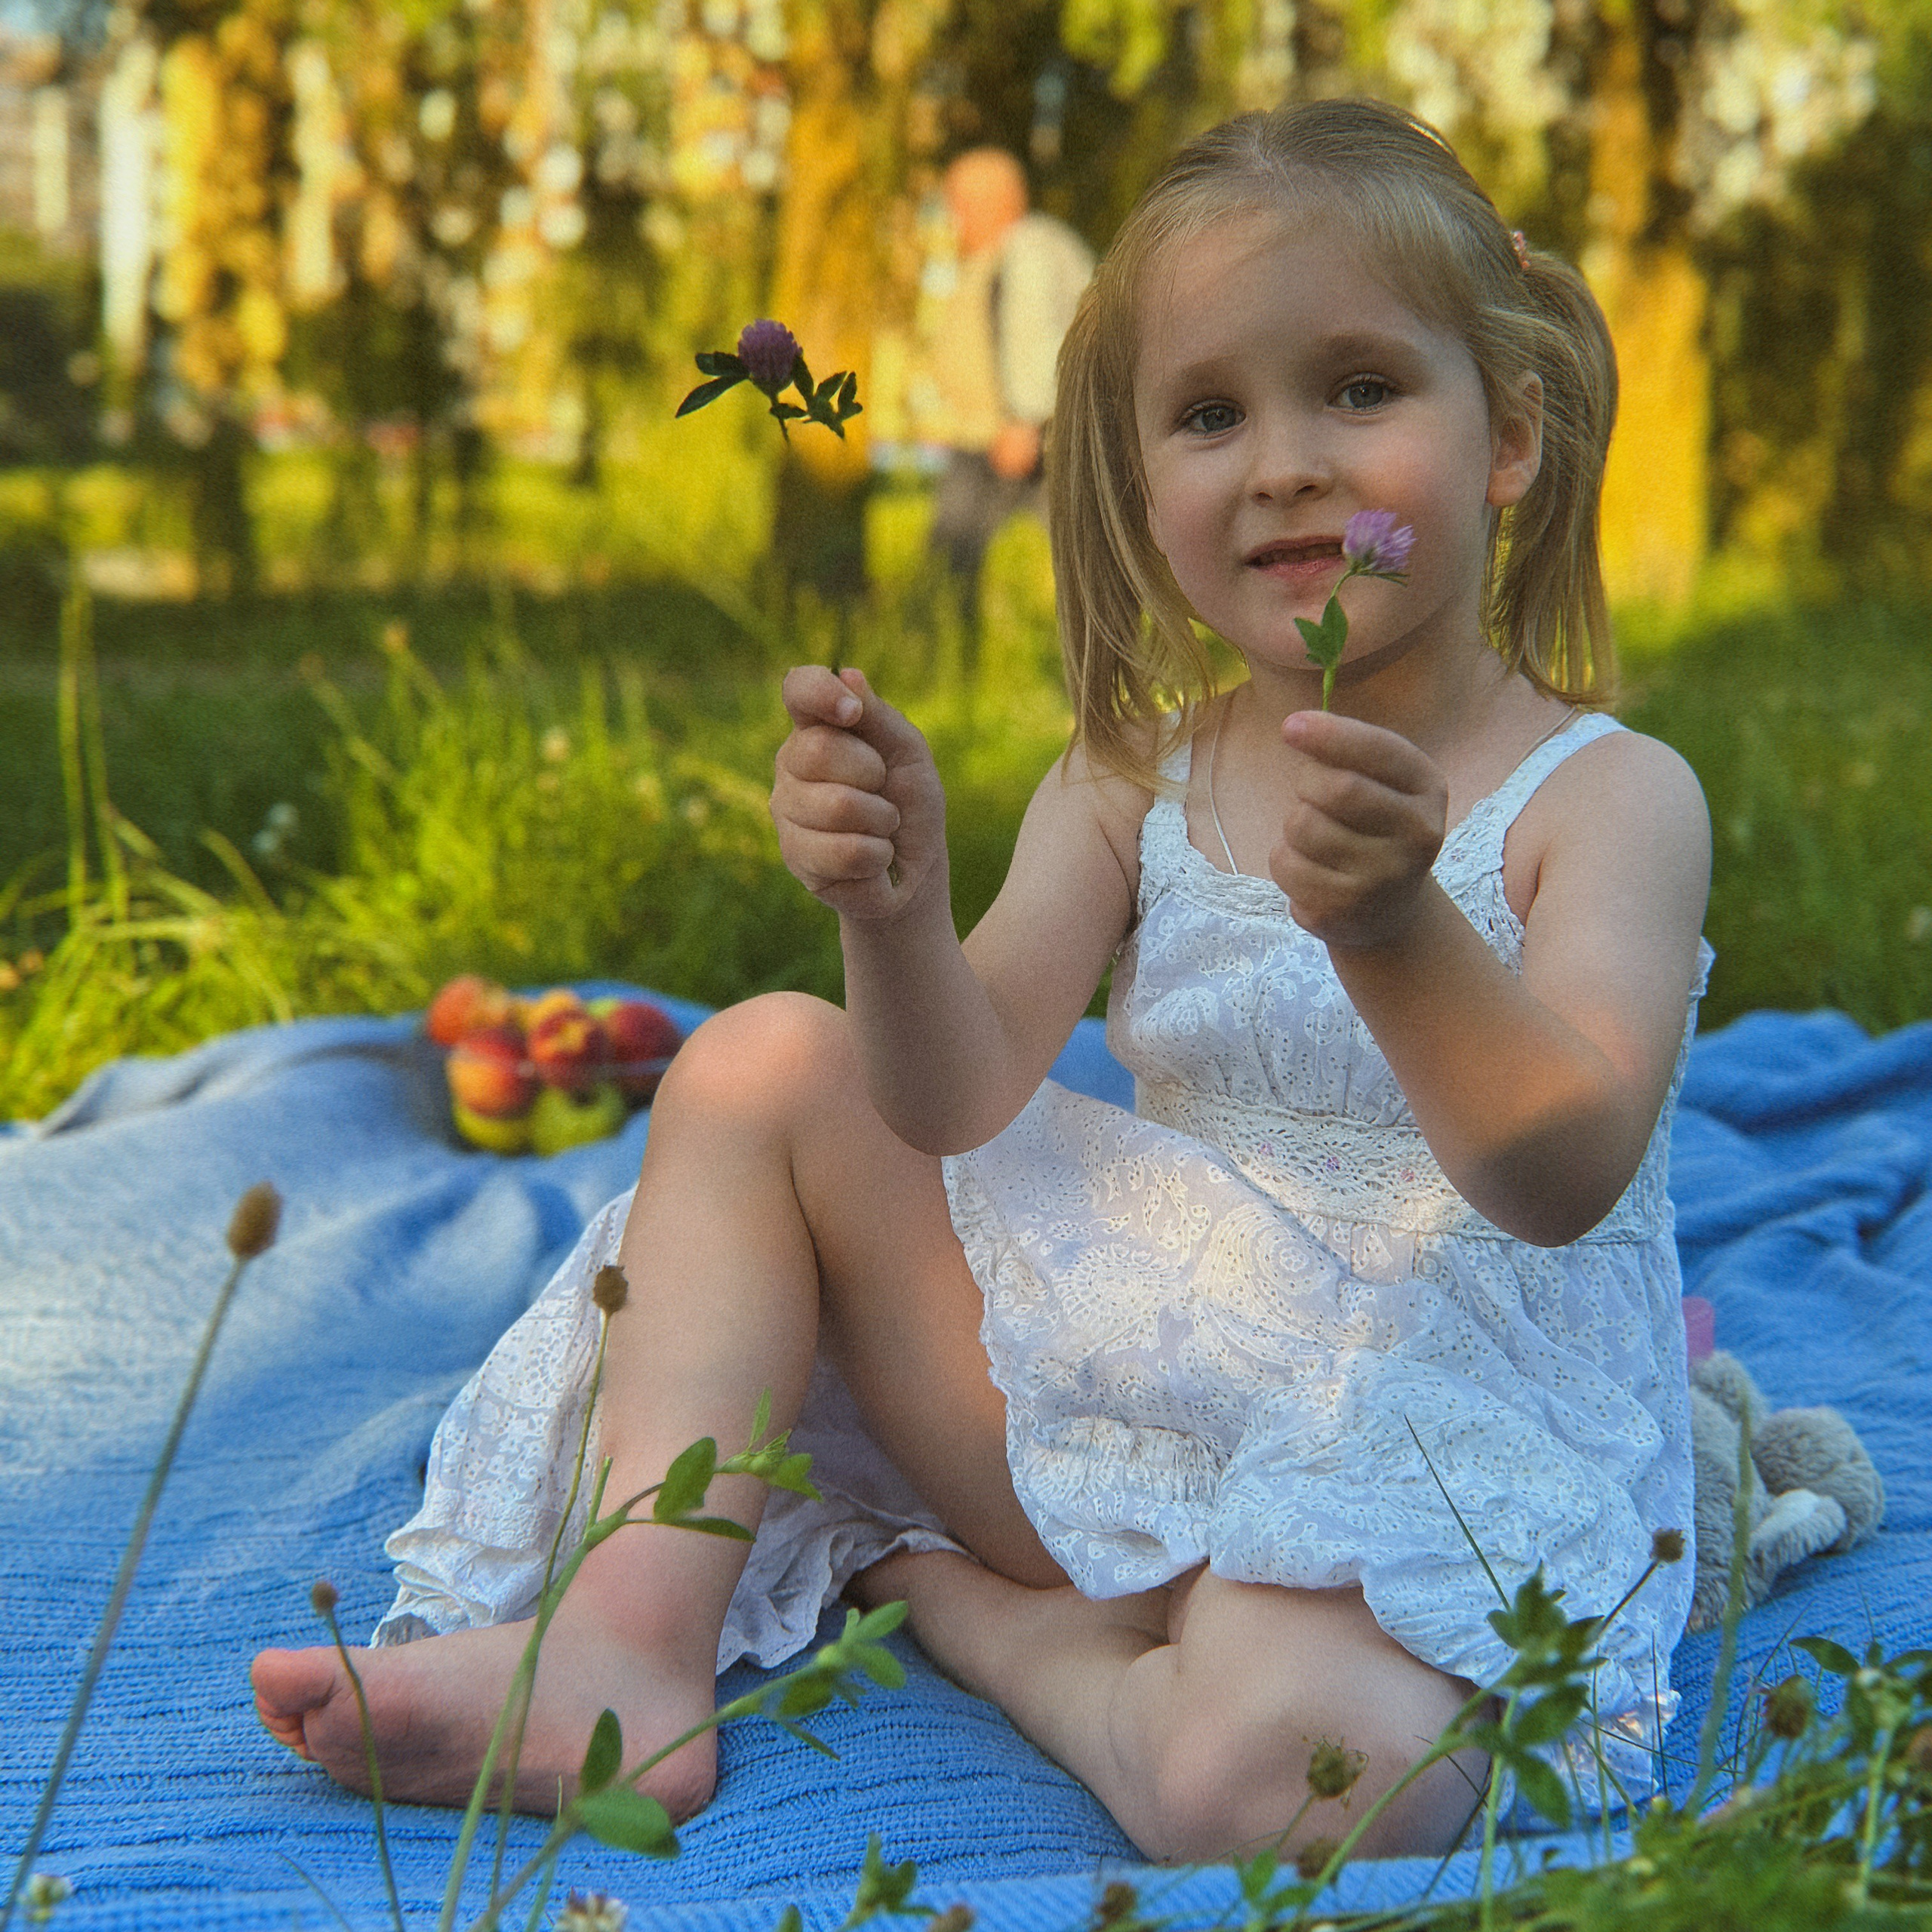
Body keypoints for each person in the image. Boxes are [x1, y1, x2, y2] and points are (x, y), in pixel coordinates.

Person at [252, 97, 1712, 1866]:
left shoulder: (1606, 794)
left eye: (1356, 387)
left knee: (1272, 1779)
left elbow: (1561, 1172)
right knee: (760, 1062)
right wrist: (895, 906)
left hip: (1433, 1413)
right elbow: (944, 1101)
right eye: (1206, 413)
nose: (1282, 462)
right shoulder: (1128, 780)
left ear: (1508, 436)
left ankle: (983, 1623)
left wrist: (1397, 922)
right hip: (1129, 1394)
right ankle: (622, 1647)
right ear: (1135, 480)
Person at [923, 147, 1094, 610]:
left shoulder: (1026, 251)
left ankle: (967, 653)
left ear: (995, 202)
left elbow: (1033, 333)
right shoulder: (1013, 249)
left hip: (1011, 432)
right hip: (993, 430)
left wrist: (1023, 418)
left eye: (959, 205)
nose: (954, 219)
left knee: (958, 555)